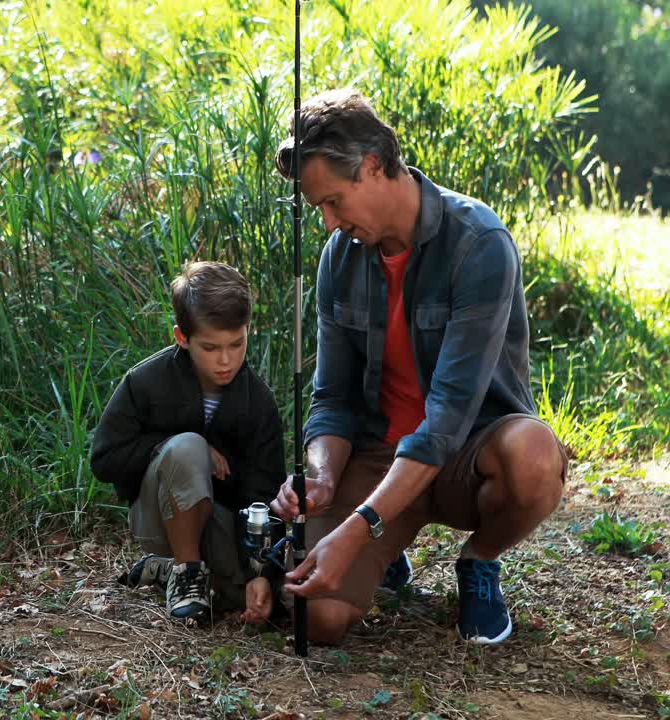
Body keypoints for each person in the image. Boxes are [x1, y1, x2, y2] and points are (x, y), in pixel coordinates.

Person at [268, 89, 568, 646]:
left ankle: (479, 559)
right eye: (318, 209)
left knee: (533, 455)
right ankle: (388, 549)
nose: (328, 224)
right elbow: (332, 398)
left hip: (467, 451)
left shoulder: (479, 242)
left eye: (333, 202)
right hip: (378, 452)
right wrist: (322, 475)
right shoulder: (339, 258)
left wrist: (358, 529)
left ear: (373, 166)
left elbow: (448, 418)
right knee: (316, 616)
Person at [90, 261, 286, 624]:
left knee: (249, 597)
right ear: (182, 337)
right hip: (157, 516)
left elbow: (264, 494)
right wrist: (174, 447)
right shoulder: (145, 381)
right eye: (210, 347)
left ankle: (166, 570)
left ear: (248, 330)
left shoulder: (259, 402)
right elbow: (104, 458)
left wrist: (261, 574)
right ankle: (186, 572)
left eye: (236, 344)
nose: (226, 360)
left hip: (221, 520)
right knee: (187, 448)